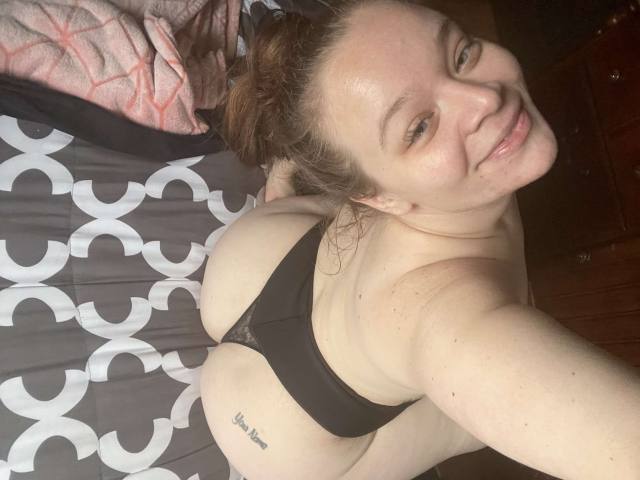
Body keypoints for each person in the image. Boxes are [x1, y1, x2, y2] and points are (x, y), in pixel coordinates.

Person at [199, 1, 640, 479]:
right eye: (420, 127)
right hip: (271, 438)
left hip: (251, 262)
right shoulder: (453, 330)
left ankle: (301, 171)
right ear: (377, 197)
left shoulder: (409, 182)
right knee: (467, 427)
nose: (485, 99)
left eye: (461, 54)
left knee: (379, 183)